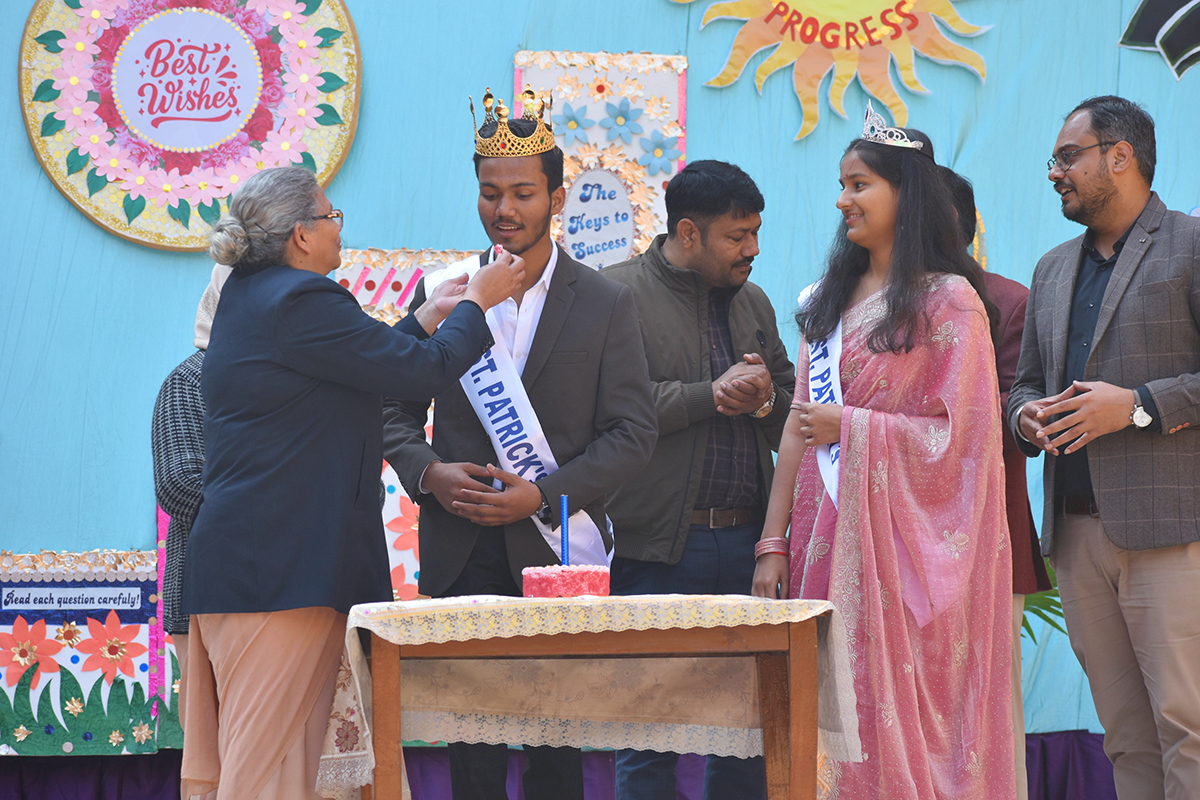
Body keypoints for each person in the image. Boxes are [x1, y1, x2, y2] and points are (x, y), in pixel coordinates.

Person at [180, 166, 523, 800]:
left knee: (290, 771)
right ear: (300, 235)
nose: (339, 228)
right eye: (330, 216)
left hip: (267, 568)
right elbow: (423, 373)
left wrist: (428, 316)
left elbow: (367, 362)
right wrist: (480, 301)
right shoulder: (300, 299)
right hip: (278, 574)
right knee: (262, 776)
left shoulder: (257, 297)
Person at [381, 89, 657, 800]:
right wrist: (430, 473)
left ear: (556, 198)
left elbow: (632, 432)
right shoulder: (443, 291)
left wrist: (543, 494)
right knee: (472, 757)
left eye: (523, 194)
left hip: (554, 549)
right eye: (490, 193)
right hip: (461, 544)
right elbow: (391, 409)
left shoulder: (604, 301)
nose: (504, 209)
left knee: (554, 755)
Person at [751, 105, 1015, 799]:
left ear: (907, 194)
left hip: (903, 556)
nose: (843, 199)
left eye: (860, 184)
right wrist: (772, 543)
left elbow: (965, 442)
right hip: (821, 532)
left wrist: (853, 426)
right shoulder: (827, 302)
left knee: (890, 714)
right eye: (842, 185)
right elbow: (797, 426)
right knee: (822, 710)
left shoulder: (949, 302)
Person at [1008, 95, 1200, 800]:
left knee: (1188, 726)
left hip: (1171, 532)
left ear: (1121, 156)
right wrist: (1025, 417)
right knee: (1124, 734)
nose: (1054, 172)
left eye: (1068, 156)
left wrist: (1139, 406)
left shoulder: (1191, 244)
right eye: (1054, 159)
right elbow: (1023, 386)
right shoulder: (1052, 268)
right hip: (1077, 537)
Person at [601, 159, 794, 800]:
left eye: (756, 232)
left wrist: (764, 400)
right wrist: (708, 395)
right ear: (688, 232)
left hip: (747, 548)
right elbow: (611, 411)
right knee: (649, 734)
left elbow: (792, 414)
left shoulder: (754, 302)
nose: (753, 249)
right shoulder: (616, 295)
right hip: (656, 547)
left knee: (745, 734)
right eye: (737, 236)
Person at [941, 165, 1051, 800]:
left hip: (985, 535)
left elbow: (1014, 416)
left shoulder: (1005, 302)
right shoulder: (858, 301)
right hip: (881, 534)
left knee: (987, 708)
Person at [150, 263, 230, 800]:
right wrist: (286, 492)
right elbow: (180, 485)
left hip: (296, 595)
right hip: (208, 596)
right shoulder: (191, 380)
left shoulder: (299, 381)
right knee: (218, 758)